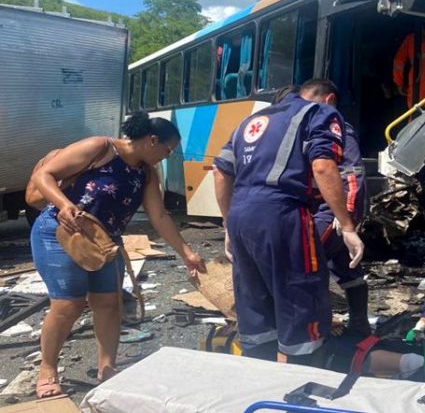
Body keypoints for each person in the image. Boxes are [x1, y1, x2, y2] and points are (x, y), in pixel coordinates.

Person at [30, 111, 206, 398]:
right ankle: (48, 370)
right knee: (68, 305)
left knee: (109, 304)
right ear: (152, 140)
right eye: (167, 149)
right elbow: (43, 175)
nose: (167, 155)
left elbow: (159, 216)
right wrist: (63, 204)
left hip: (104, 241)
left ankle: (107, 368)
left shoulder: (145, 172)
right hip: (60, 232)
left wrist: (187, 252)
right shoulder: (100, 148)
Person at [213, 82, 364, 365]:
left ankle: (260, 391)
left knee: (254, 308)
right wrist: (347, 226)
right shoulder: (318, 113)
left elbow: (221, 173)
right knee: (300, 299)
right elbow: (322, 166)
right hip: (284, 215)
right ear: (330, 99)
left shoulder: (251, 121)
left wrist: (228, 223)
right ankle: (303, 388)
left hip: (240, 216)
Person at [300, 79, 371, 336]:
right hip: (327, 211)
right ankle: (359, 325)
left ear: (328, 101)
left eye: (307, 103)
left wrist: (347, 217)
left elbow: (352, 176)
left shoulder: (338, 130)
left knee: (307, 260)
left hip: (332, 212)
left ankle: (315, 328)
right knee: (345, 265)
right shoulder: (312, 129)